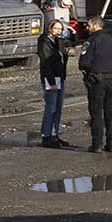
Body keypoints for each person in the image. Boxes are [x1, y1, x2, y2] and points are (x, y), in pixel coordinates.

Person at [77, 16, 112, 155]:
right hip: (111, 79)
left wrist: (96, 67)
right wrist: (111, 64)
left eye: (88, 25)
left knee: (96, 112)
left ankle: (97, 144)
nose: (87, 28)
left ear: (95, 25)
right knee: (111, 113)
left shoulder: (91, 41)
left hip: (96, 80)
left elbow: (83, 63)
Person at [36, 13, 74, 149]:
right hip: (51, 78)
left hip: (60, 77)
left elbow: (68, 47)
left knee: (58, 108)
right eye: (56, 28)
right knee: (50, 107)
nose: (59, 31)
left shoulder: (57, 41)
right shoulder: (44, 42)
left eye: (60, 29)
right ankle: (46, 136)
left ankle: (54, 134)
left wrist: (72, 34)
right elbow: (46, 64)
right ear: (50, 29)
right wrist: (51, 81)